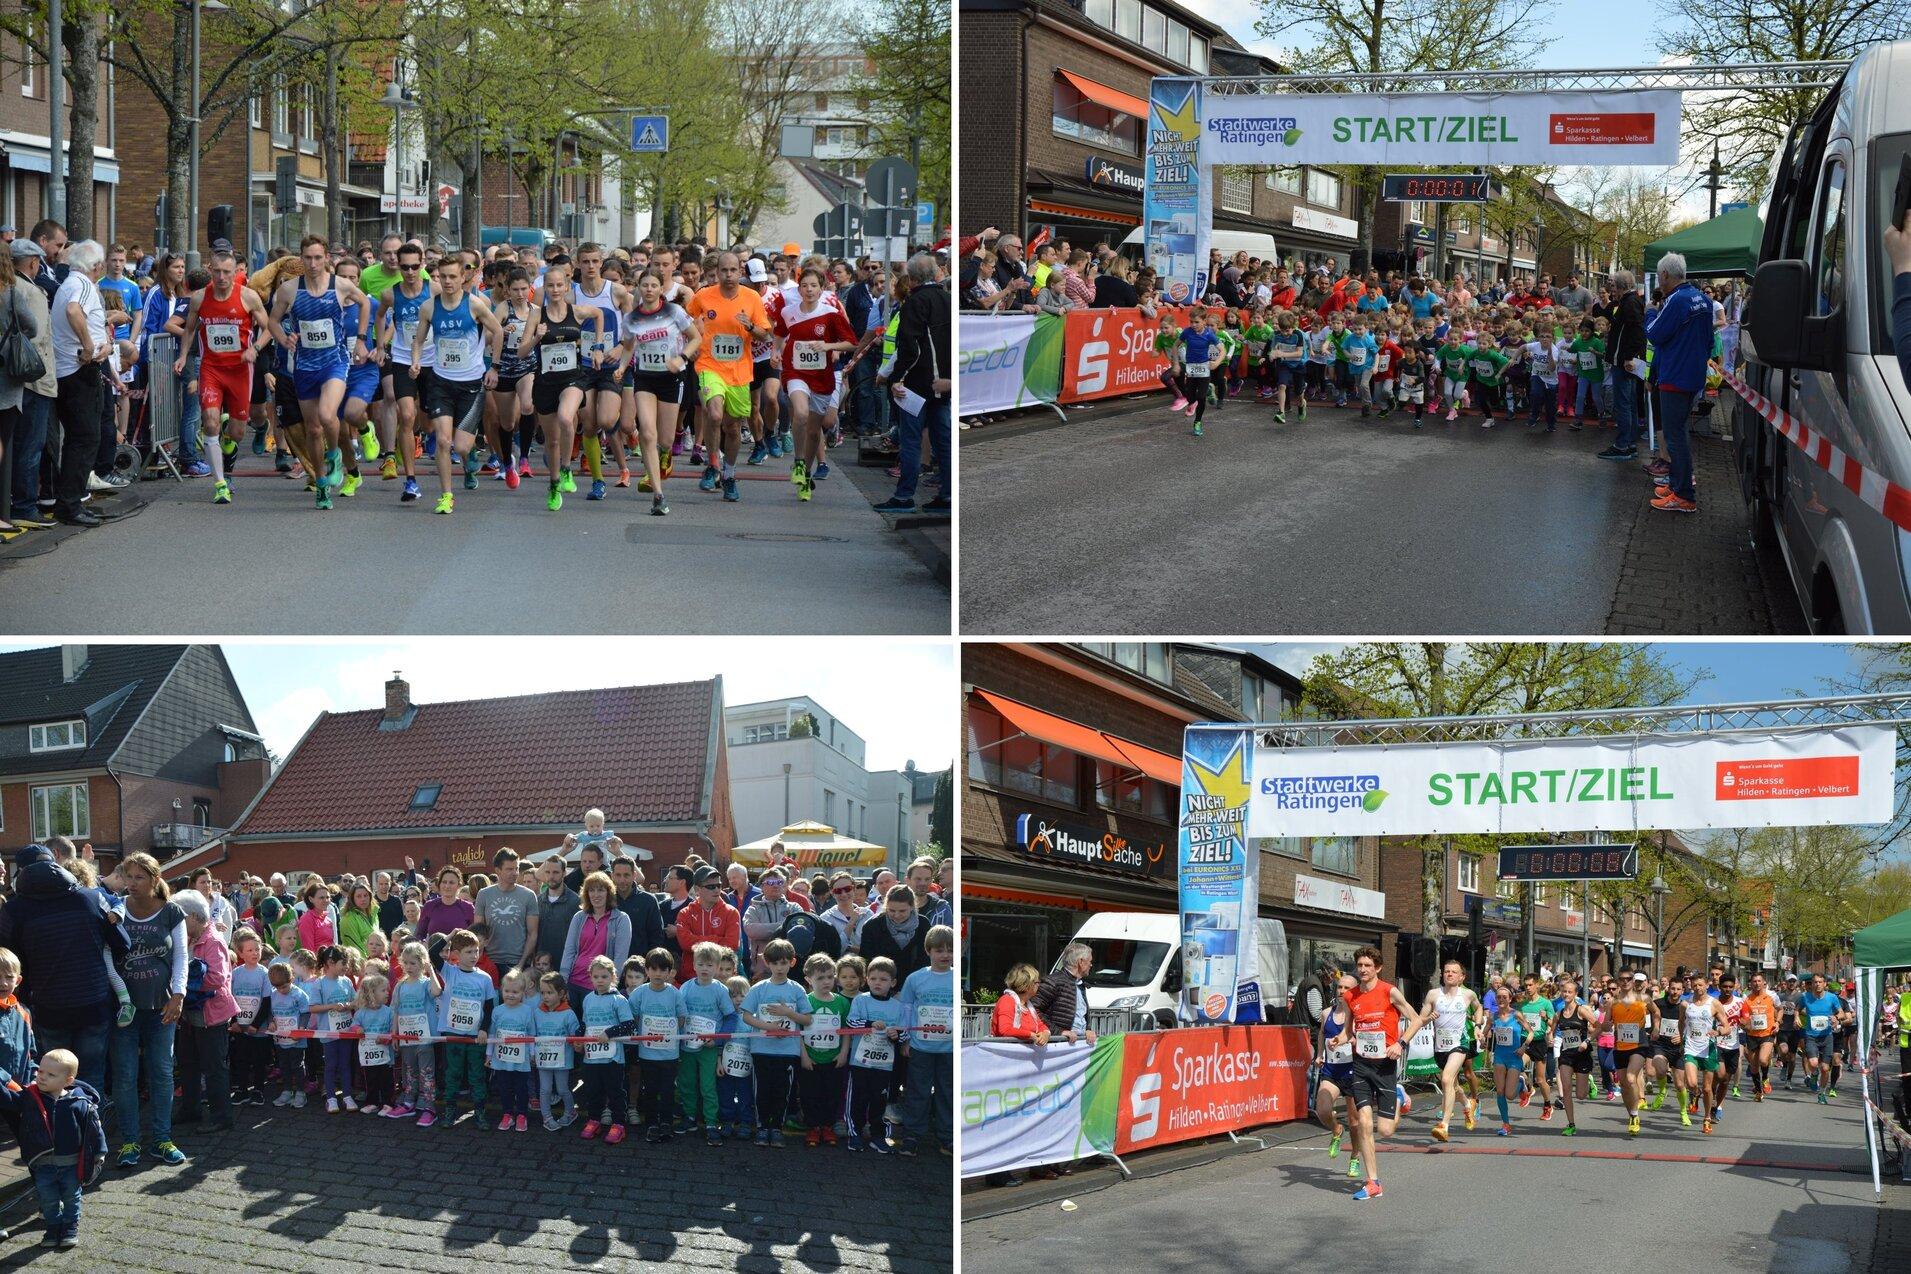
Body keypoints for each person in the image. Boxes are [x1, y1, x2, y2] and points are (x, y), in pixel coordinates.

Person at [1325, 945, 1425, 1202]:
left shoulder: (1389, 991)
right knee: (1364, 1124)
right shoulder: (1351, 997)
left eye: (1368, 966)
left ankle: (1399, 1097)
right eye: (1360, 965)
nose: (1363, 970)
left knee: (1386, 1131)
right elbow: (1349, 1030)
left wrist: (1400, 1044)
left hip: (1385, 1066)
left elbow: (1415, 1019)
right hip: (1360, 1065)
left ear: (1377, 968)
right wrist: (1338, 1039)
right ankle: (1373, 1182)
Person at [108, 852, 189, 1168]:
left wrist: (179, 994)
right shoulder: (117, 912)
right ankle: (129, 1142)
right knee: (125, 1076)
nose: (131, 884)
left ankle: (162, 1139)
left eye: (139, 877)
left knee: (162, 1073)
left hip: (162, 1008)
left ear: (155, 879)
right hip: (124, 1010)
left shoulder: (171, 912)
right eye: (128, 877)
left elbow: (182, 956)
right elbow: (106, 954)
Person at [407, 254, 505, 515]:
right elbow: (418, 339)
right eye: (443, 276)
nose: (448, 281)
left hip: (471, 384)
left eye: (453, 276)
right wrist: (415, 362)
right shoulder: (429, 307)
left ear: (464, 277)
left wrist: (493, 367)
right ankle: (446, 495)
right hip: (441, 381)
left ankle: (469, 458)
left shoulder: (475, 305)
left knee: (461, 446)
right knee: (442, 440)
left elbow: (498, 332)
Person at [0, 1048, 101, 1250]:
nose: (42, 1077)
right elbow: (9, 1101)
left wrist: (99, 1152)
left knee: (72, 1197)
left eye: (51, 1075)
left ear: (68, 1080)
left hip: (71, 1163)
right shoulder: (30, 1097)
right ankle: (53, 1228)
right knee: (48, 1198)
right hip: (42, 1163)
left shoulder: (79, 1101)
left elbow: (93, 1129)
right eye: (41, 1072)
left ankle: (70, 1227)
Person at [896, 925, 954, 1156]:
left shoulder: (957, 978)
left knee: (947, 1092)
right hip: (920, 1046)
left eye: (950, 950)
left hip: (949, 1049)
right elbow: (906, 1011)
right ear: (928, 951)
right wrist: (906, 1040)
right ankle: (911, 1135)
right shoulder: (915, 979)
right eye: (939, 950)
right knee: (917, 1091)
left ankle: (947, 1137)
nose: (945, 955)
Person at [1420, 959, 1484, 1141]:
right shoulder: (1433, 994)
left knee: (1447, 1079)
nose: (1449, 974)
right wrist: (1427, 1018)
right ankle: (1467, 1105)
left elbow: (1478, 1008)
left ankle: (1444, 1125)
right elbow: (1420, 1018)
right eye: (1447, 971)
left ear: (1462, 977)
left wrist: (1478, 1026)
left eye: (1454, 972)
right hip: (1440, 1046)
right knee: (1453, 1086)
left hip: (1460, 1043)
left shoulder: (1468, 994)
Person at [1315, 974, 1363, 1175]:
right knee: (1323, 1110)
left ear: (1354, 991)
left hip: (1352, 1071)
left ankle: (1355, 1157)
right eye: (1339, 987)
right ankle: (1336, 1129)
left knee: (1354, 1122)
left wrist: (1351, 1041)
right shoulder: (1327, 1013)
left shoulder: (1358, 1015)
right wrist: (1319, 1054)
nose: (1342, 991)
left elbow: (1365, 1038)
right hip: (1332, 1070)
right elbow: (1321, 1034)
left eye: (1346, 988)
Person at [560, 871, 632, 1003]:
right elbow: (569, 950)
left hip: (600, 986)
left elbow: (620, 956)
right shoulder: (579, 917)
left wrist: (610, 987)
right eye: (591, 890)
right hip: (574, 982)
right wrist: (563, 982)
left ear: (609, 893)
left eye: (600, 890)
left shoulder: (621, 919)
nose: (596, 895)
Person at [474, 847, 538, 973]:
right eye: (509, 869)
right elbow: (478, 931)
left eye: (516, 868)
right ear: (498, 870)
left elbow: (533, 934)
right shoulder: (484, 894)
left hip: (518, 962)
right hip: (489, 961)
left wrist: (521, 964)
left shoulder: (529, 895)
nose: (514, 873)